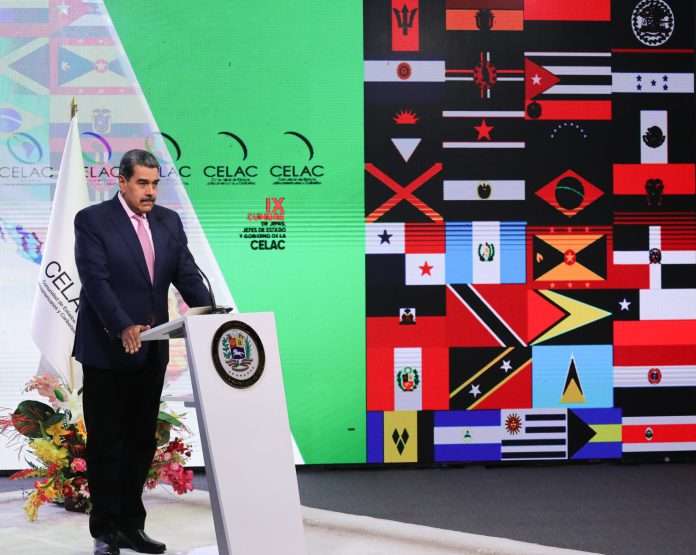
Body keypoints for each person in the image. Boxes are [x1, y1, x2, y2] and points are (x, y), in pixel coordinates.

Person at [73, 149, 210, 555]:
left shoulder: (168, 221)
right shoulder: (93, 221)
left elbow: (187, 274)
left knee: (139, 443)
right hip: (107, 351)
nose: (150, 191)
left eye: (154, 184)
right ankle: (105, 532)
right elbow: (95, 281)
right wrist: (122, 325)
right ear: (122, 181)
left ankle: (132, 526)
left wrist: (212, 314)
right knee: (107, 444)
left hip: (152, 352)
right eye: (142, 183)